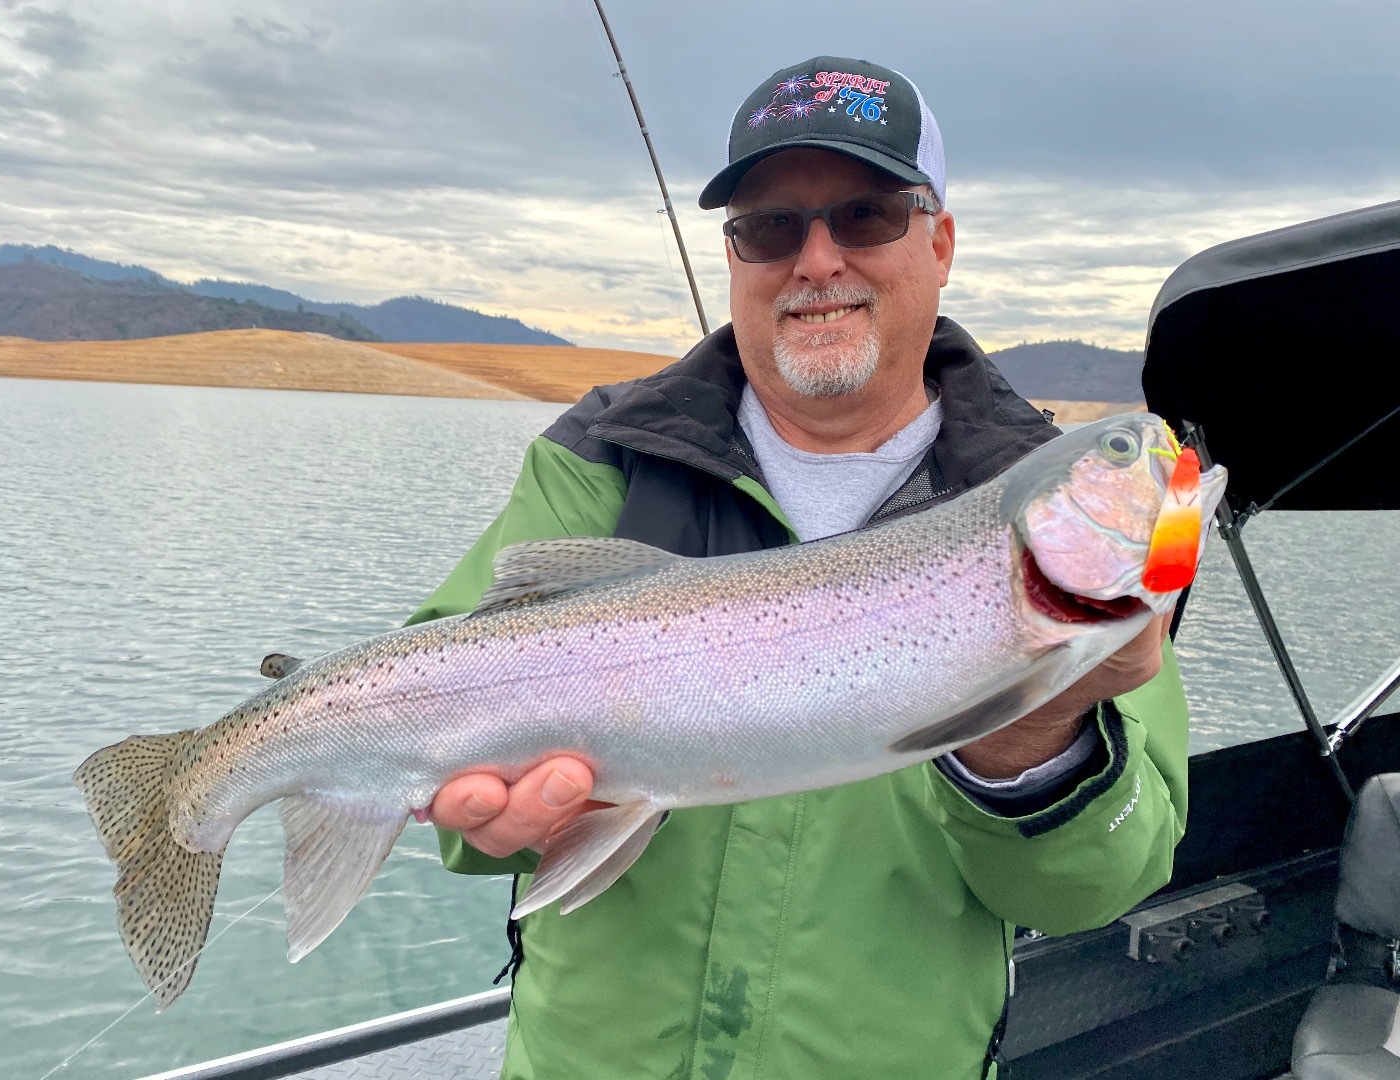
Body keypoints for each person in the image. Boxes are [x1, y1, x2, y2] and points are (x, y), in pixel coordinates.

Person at [407, 55, 1188, 1080]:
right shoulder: (598, 459)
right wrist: (494, 804)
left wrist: (1038, 735)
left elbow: (1094, 891)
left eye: (865, 216)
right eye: (770, 227)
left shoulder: (1052, 526)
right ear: (733, 255)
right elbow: (464, 825)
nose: (816, 259)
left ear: (941, 242)